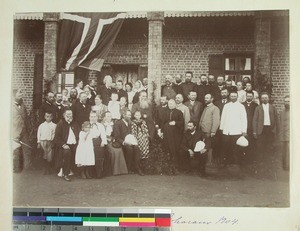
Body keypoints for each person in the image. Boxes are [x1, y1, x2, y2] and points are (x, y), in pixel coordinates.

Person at [220, 91, 247, 169]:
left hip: (236, 130)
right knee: (225, 147)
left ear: (237, 97)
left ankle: (235, 164)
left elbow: (244, 119)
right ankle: (225, 163)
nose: (233, 98)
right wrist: (222, 128)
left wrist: (244, 130)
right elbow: (223, 117)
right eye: (232, 96)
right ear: (229, 97)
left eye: (235, 96)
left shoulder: (241, 106)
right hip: (227, 130)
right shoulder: (226, 106)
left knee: (235, 148)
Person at [113, 110, 144, 176]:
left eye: (130, 115)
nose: (130, 116)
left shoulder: (130, 123)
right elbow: (116, 136)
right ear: (124, 115)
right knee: (129, 149)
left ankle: (137, 168)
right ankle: (128, 168)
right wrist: (124, 142)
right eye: (128, 115)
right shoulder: (118, 123)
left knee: (137, 148)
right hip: (123, 143)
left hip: (131, 142)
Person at [54, 109, 80, 181]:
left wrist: (78, 143)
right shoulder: (60, 124)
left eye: (70, 115)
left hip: (75, 144)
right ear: (64, 116)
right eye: (67, 115)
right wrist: (63, 145)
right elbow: (57, 138)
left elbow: (79, 134)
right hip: (65, 145)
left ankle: (78, 171)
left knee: (79, 151)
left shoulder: (75, 123)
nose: (69, 116)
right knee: (67, 153)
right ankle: (66, 174)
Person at [161, 99, 184, 174]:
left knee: (175, 149)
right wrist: (161, 131)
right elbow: (163, 122)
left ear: (175, 104)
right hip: (167, 134)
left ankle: (176, 167)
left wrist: (176, 122)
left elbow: (182, 123)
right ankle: (168, 167)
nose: (170, 105)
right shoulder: (165, 112)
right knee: (167, 148)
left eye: (171, 104)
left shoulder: (179, 112)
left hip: (175, 135)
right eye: (169, 104)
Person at [253, 92, 278, 161]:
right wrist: (255, 132)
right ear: (261, 99)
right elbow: (255, 120)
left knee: (269, 145)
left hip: (270, 129)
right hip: (261, 129)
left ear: (268, 99)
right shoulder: (258, 108)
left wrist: (275, 130)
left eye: (266, 98)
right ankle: (261, 161)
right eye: (263, 98)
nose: (264, 99)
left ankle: (269, 161)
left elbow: (276, 119)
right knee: (260, 146)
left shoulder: (273, 107)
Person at [102, 111, 128, 176]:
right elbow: (102, 134)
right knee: (113, 151)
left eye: (110, 116)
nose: (109, 117)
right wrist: (106, 139)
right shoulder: (102, 124)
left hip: (113, 141)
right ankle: (115, 171)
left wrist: (113, 139)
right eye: (107, 116)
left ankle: (121, 170)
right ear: (104, 117)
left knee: (119, 150)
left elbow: (116, 134)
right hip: (105, 141)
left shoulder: (113, 124)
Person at [12, 89, 32, 172]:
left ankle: (27, 168)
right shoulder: (9, 105)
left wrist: (29, 128)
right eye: (19, 93)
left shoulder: (23, 104)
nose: (21, 94)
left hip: (24, 131)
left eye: (21, 92)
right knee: (15, 150)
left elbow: (26, 117)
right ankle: (16, 168)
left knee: (27, 149)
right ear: (14, 95)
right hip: (15, 131)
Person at [199, 94, 220, 167]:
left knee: (209, 148)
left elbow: (216, 121)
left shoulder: (215, 108)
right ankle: (204, 165)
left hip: (209, 132)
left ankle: (209, 164)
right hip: (203, 131)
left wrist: (213, 131)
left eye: (207, 98)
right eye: (205, 98)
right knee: (203, 147)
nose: (205, 99)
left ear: (212, 99)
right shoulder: (206, 108)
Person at [89, 111, 109, 178]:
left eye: (94, 117)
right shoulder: (87, 125)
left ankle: (99, 173)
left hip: (98, 141)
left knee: (99, 154)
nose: (93, 118)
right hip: (89, 142)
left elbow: (103, 134)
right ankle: (91, 173)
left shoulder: (100, 125)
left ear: (97, 118)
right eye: (92, 117)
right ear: (89, 117)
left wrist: (103, 142)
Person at [242, 91, 258, 161]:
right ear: (246, 96)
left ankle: (250, 159)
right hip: (243, 127)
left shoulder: (256, 105)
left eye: (250, 96)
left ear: (253, 97)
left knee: (251, 143)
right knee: (243, 142)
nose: (249, 97)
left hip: (251, 127)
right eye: (248, 96)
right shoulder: (242, 105)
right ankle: (243, 159)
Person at [278, 95, 290, 171]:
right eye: (285, 101)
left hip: (290, 135)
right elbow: (281, 124)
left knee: (290, 152)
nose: (286, 102)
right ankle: (284, 167)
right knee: (283, 152)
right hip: (283, 136)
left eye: (288, 101)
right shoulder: (282, 112)